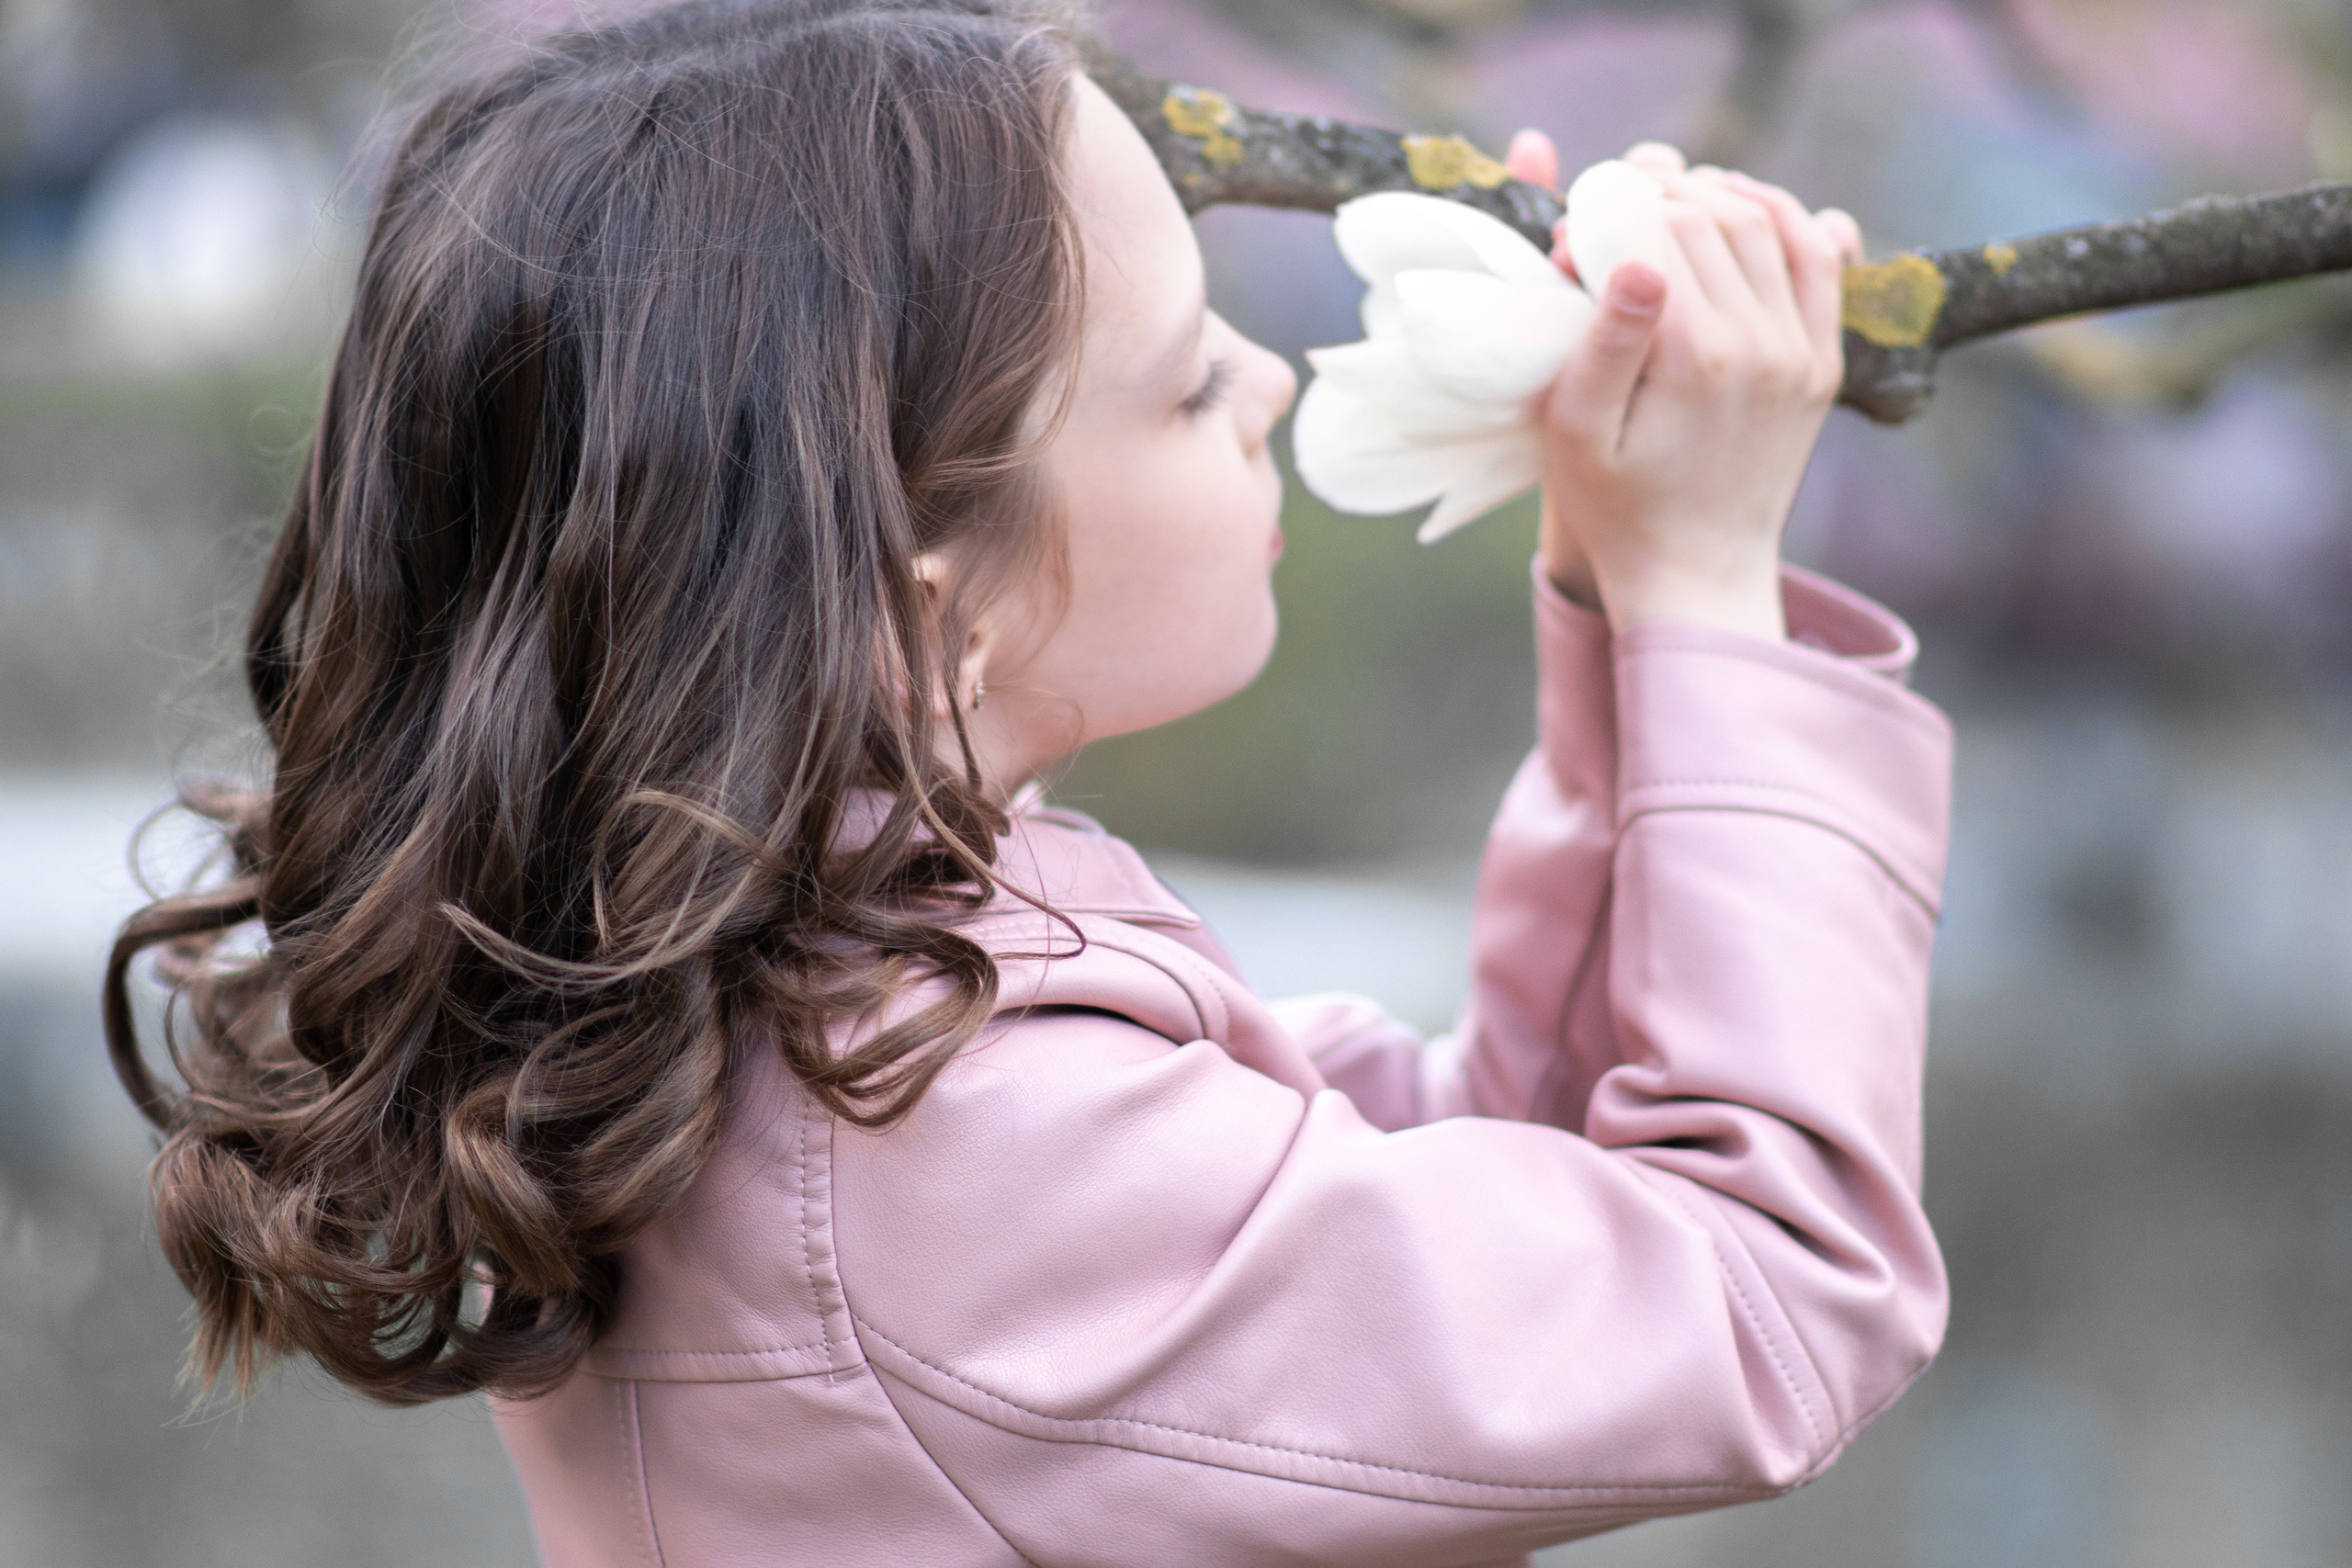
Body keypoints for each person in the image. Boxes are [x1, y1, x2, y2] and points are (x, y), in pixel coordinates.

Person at [102, 2, 1952, 1563]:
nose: (1265, 380)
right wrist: (1704, 595)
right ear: (930, 611)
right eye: (1173, 379)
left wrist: (1621, 583)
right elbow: (1759, 1296)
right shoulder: (951, 1140)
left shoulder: (817, 1010)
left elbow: (1503, 1178)